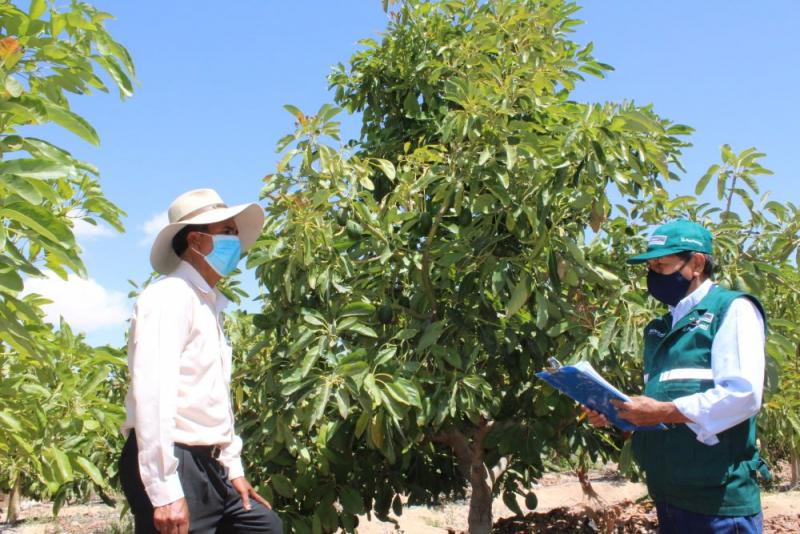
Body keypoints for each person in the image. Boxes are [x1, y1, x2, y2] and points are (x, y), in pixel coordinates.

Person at [586, 220, 769, 534]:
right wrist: (621, 415)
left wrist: (660, 412)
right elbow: (664, 409)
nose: (654, 274)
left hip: (717, 505)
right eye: (651, 266)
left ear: (697, 263)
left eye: (662, 265)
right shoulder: (658, 328)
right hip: (669, 497)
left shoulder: (732, 310)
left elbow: (743, 395)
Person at [119, 189, 282, 534]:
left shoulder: (208, 306)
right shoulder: (168, 297)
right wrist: (164, 492)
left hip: (209, 464)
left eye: (236, 234)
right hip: (175, 461)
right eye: (227, 233)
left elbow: (213, 401)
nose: (235, 243)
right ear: (195, 240)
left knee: (265, 526)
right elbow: (154, 396)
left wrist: (233, 467)